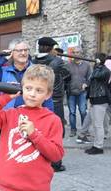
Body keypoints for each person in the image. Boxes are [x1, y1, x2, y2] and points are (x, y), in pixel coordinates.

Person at [32, 37, 71, 172]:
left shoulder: (33, 61)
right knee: (57, 130)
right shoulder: (57, 61)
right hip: (55, 100)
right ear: (50, 48)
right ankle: (55, 162)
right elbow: (68, 74)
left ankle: (39, 159)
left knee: (40, 129)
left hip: (38, 99)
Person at [0, 38, 54, 111]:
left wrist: (48, 116)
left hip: (32, 117)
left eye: (25, 50)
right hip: (9, 116)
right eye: (19, 50)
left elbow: (47, 98)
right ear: (11, 53)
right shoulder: (5, 71)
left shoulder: (37, 71)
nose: (23, 53)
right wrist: (3, 59)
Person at [84, 53, 111, 154]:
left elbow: (95, 76)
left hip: (101, 99)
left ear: (99, 60)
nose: (93, 60)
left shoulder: (105, 70)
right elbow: (92, 80)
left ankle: (99, 147)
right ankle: (96, 145)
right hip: (93, 99)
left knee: (98, 125)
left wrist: (98, 65)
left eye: (94, 59)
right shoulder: (97, 68)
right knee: (96, 124)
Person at [66, 47, 91, 137]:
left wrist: (86, 84)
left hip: (82, 92)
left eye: (78, 52)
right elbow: (65, 78)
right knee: (72, 112)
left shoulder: (87, 65)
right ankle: (73, 129)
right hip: (71, 92)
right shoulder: (68, 65)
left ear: (81, 53)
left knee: (83, 111)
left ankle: (84, 130)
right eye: (74, 52)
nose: (76, 54)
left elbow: (90, 78)